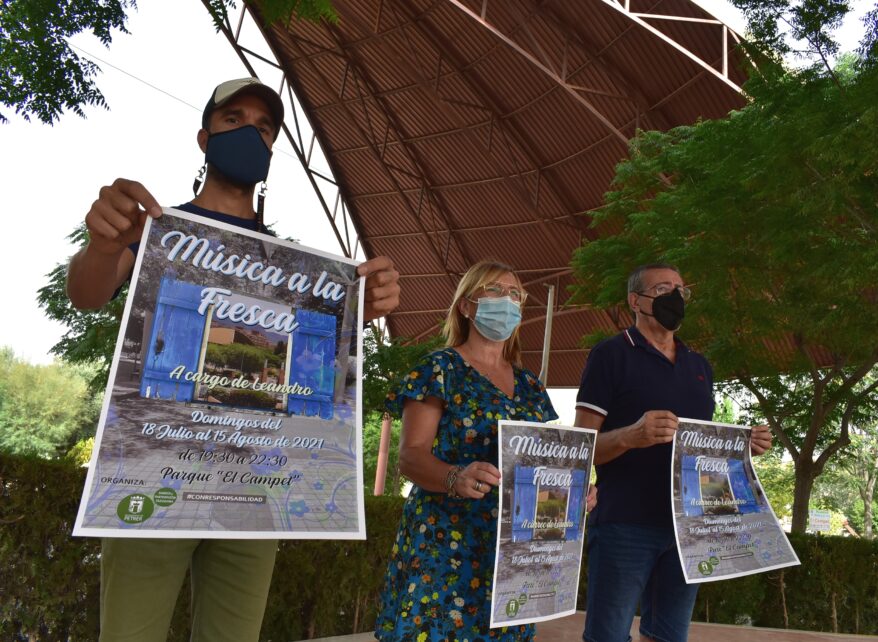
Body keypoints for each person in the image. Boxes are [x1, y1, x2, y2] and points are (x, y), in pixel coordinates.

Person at [67, 77, 401, 642]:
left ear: (271, 152)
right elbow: (86, 293)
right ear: (205, 137)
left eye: (264, 128)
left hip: (253, 484)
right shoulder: (156, 232)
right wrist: (103, 246)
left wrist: (356, 314)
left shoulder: (296, 267)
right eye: (234, 120)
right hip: (153, 470)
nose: (249, 132)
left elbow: (311, 373)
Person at [376, 259, 585, 642]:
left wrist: (571, 494)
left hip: (511, 549)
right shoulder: (439, 368)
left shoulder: (530, 386)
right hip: (444, 541)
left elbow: (541, 463)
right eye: (493, 290)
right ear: (467, 306)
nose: (506, 300)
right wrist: (454, 477)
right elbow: (410, 456)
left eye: (515, 294)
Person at [576, 263, 772, 642]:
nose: (676, 297)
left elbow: (701, 451)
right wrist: (632, 435)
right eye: (664, 289)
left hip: (690, 528)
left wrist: (741, 448)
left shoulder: (700, 366)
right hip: (624, 523)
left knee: (669, 635)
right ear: (636, 301)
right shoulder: (610, 355)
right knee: (607, 636)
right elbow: (578, 450)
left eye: (682, 290)